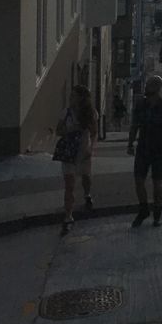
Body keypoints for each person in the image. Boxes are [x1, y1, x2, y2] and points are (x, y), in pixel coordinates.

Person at [127, 75, 162, 227]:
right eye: (148, 84)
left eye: (151, 85)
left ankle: (157, 211)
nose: (147, 87)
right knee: (138, 180)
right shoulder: (141, 105)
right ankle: (143, 208)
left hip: (160, 147)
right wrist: (130, 143)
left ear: (157, 88)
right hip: (143, 146)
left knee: (157, 182)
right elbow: (135, 125)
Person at [56, 84, 97, 234]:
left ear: (81, 98)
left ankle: (87, 194)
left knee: (85, 176)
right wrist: (70, 129)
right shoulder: (66, 113)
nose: (70, 98)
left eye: (73, 96)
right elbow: (58, 130)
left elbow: (94, 132)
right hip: (69, 152)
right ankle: (68, 216)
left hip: (83, 151)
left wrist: (91, 148)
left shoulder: (90, 113)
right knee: (69, 184)